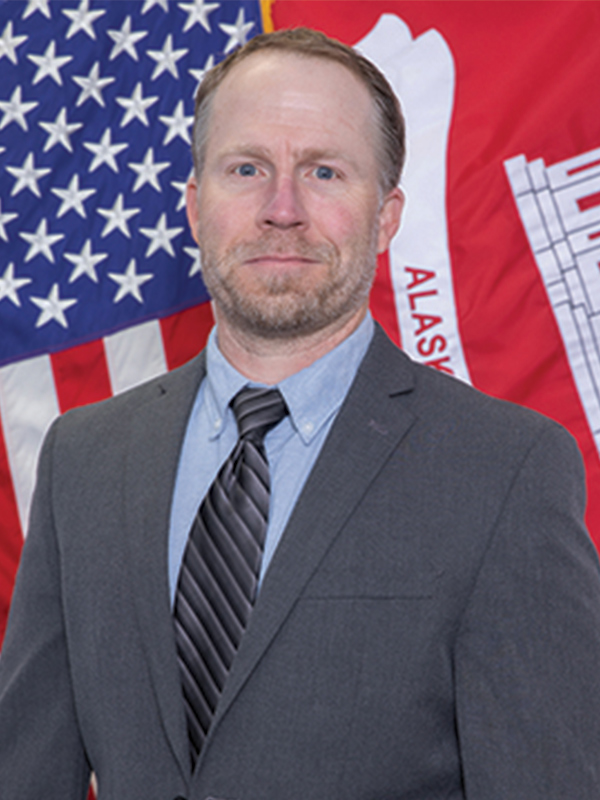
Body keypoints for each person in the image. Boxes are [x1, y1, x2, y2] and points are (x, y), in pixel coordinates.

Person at [1, 26, 600, 800]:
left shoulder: (507, 471)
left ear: (385, 216)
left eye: (324, 171)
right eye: (247, 168)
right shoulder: (84, 456)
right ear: (193, 204)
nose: (282, 209)